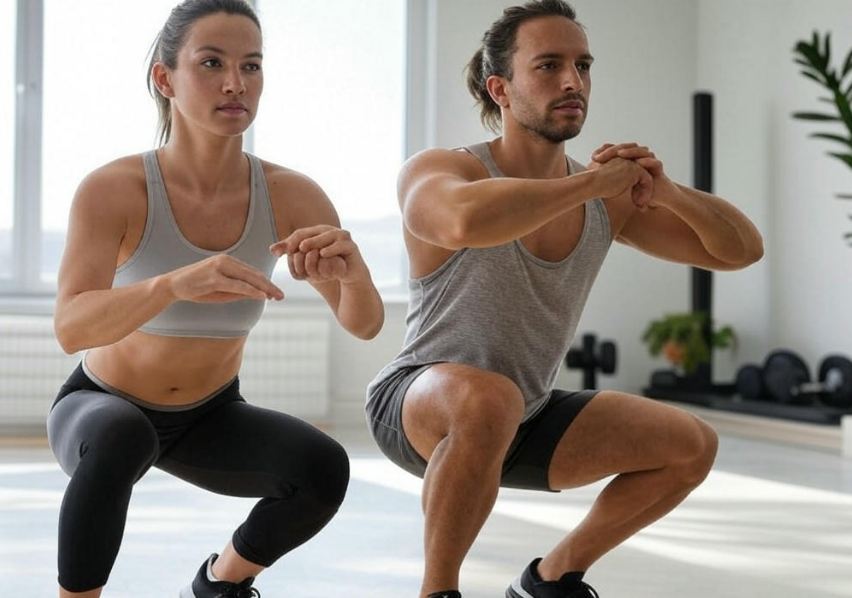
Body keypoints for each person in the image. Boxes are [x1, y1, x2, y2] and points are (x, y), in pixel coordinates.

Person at [365, 1, 763, 597]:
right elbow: (459, 221)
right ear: (500, 88)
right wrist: (588, 184)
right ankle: (437, 591)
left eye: (583, 65)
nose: (573, 81)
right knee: (489, 398)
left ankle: (550, 580)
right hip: (415, 403)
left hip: (525, 413)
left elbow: (739, 251)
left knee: (690, 446)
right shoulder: (444, 169)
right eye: (548, 65)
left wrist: (669, 191)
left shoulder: (605, 200)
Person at [48, 1, 384, 596]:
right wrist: (172, 284)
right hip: (100, 407)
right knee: (124, 434)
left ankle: (218, 585)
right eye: (211, 63)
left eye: (251, 65)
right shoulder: (113, 189)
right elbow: (72, 328)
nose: (236, 83)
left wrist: (354, 275)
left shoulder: (292, 194)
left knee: (322, 468)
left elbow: (364, 324)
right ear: (165, 78)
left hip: (208, 415)